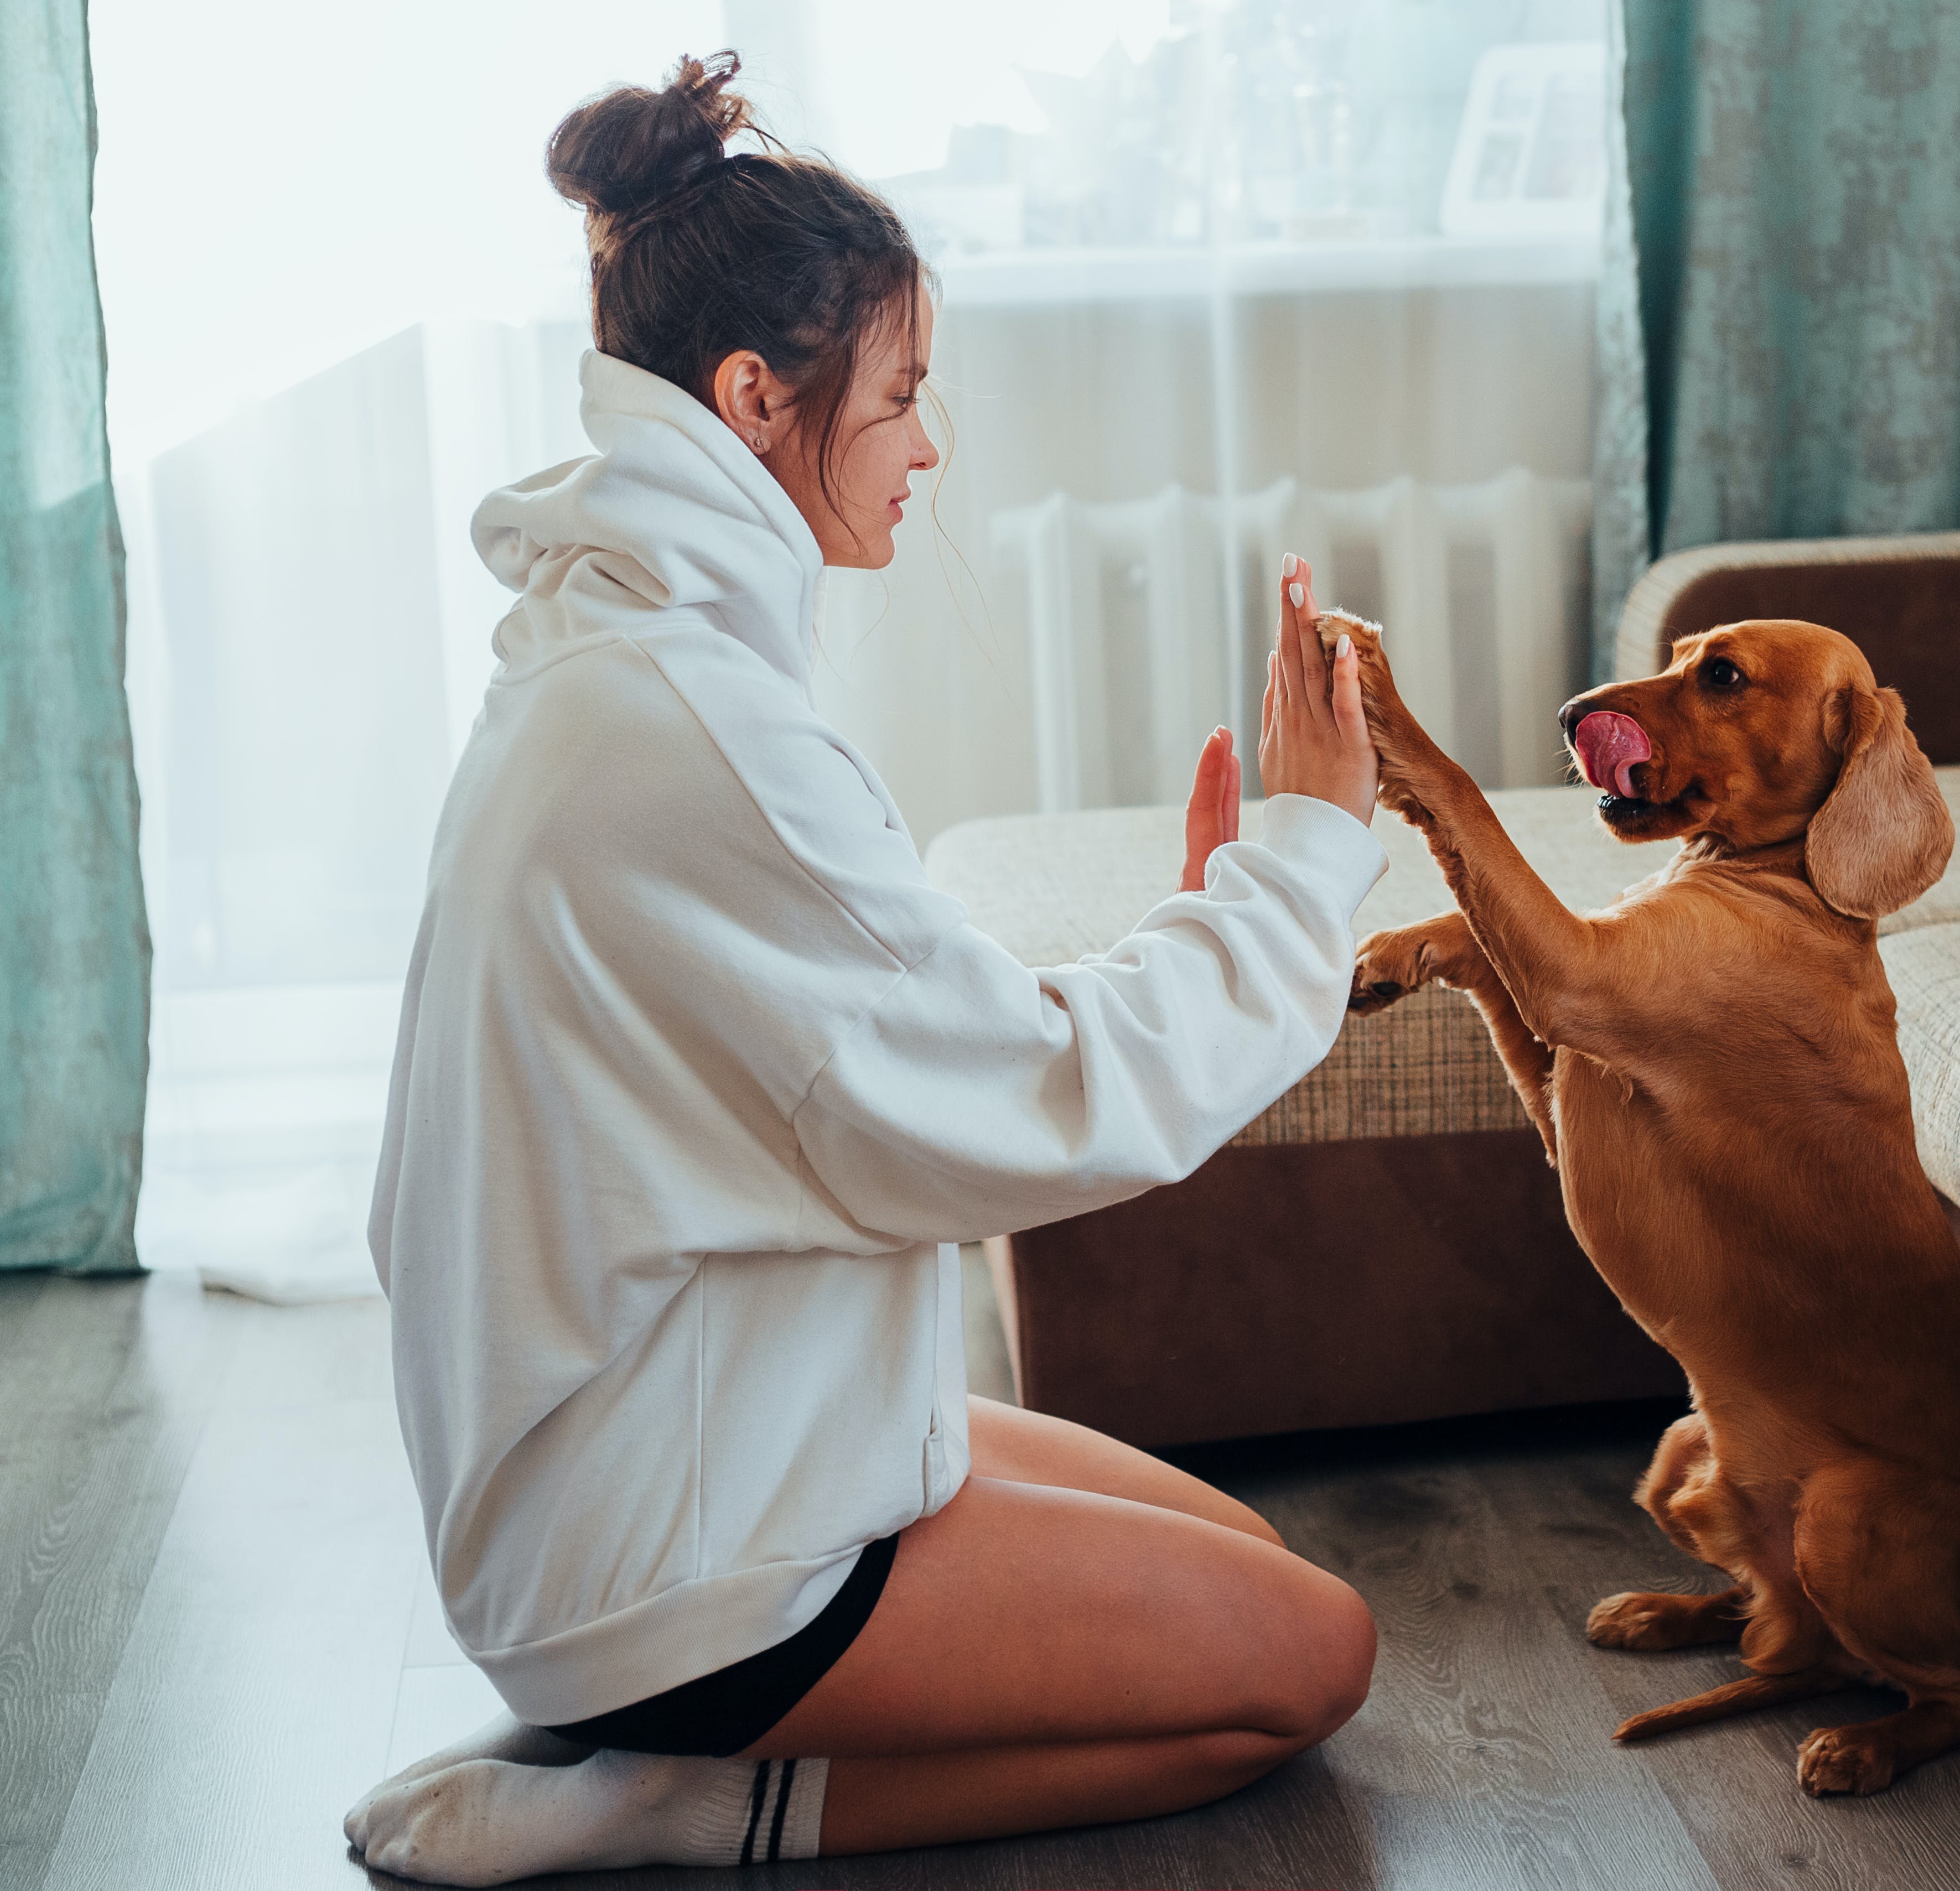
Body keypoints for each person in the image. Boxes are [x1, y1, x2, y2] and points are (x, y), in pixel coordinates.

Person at [344, 53, 1385, 1886]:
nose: (933, 445)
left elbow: (898, 1041)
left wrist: (1207, 916)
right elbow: (1037, 1105)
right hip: (665, 1563)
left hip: (675, 1428)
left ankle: (677, 1739)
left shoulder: (635, 657)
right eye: (904, 394)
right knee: (1309, 1662)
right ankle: (680, 1794)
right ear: (754, 399)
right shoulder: (690, 728)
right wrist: (1300, 865)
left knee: (1257, 1570)